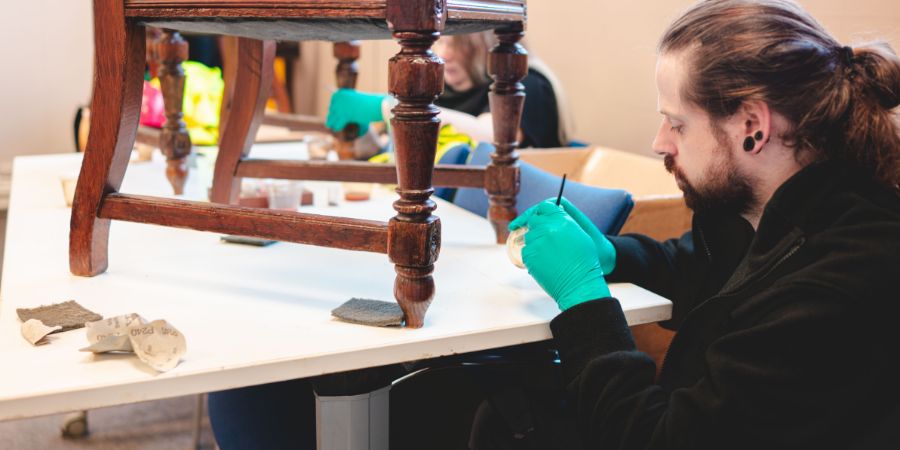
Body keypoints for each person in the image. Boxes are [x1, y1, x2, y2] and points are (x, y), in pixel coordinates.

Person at [477, 0, 900, 449]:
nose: (660, 143)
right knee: (505, 407)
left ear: (752, 127)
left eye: (676, 124)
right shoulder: (781, 209)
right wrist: (613, 254)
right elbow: (706, 270)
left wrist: (583, 300)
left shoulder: (840, 282)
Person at [325, 32, 570, 151]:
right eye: (441, 41)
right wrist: (364, 134)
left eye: (460, 45)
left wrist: (392, 107)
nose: (444, 54)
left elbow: (493, 136)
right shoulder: (445, 89)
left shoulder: (526, 83)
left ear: (489, 44)